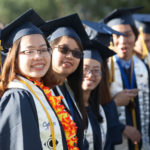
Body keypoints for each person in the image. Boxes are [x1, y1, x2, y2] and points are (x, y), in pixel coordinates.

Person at [0, 9, 78, 150]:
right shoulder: (17, 96)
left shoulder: (43, 91)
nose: (38, 56)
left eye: (43, 49)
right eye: (29, 51)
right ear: (14, 57)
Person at [40, 13, 90, 150]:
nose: (70, 56)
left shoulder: (70, 90)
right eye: (64, 49)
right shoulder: (39, 91)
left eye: (76, 53)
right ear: (49, 49)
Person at [104, 7, 150, 150]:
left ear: (136, 37)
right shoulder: (103, 68)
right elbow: (94, 108)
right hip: (115, 141)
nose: (123, 41)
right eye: (116, 35)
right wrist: (121, 127)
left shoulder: (143, 65)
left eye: (127, 34)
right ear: (110, 39)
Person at [82, 39, 117, 150]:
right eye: (85, 69)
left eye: (96, 70)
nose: (90, 75)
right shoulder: (69, 108)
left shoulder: (99, 109)